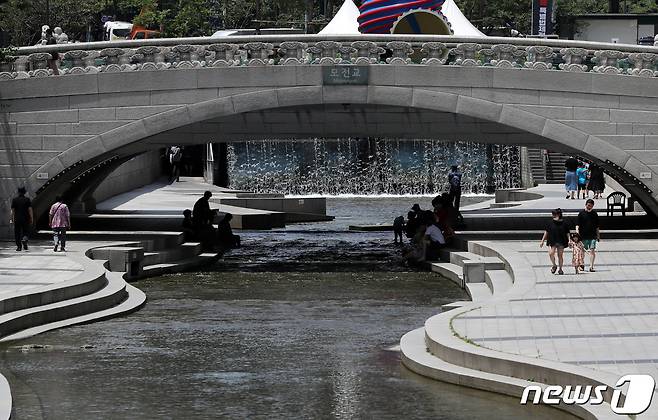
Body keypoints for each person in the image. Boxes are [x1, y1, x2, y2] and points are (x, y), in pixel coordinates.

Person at [540, 208, 570, 275]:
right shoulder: (550, 222)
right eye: (552, 214)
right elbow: (546, 232)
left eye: (554, 214)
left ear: (559, 214)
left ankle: (560, 269)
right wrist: (542, 241)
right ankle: (554, 265)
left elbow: (567, 233)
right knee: (551, 253)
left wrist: (569, 240)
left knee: (560, 255)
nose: (553, 215)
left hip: (561, 240)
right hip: (552, 240)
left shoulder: (564, 223)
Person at [576, 199, 600, 272]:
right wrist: (577, 235)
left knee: (592, 251)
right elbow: (577, 225)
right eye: (588, 205)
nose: (589, 207)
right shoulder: (581, 214)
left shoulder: (594, 214)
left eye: (591, 206)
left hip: (592, 236)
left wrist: (598, 235)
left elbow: (597, 226)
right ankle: (582, 264)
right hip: (583, 236)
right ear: (586, 204)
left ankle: (591, 266)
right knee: (582, 251)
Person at [10, 187, 33, 251]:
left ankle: (19, 247)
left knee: (17, 232)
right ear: (24, 192)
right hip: (26, 218)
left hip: (17, 219)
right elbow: (30, 210)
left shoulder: (14, 200)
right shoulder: (27, 200)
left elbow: (12, 210)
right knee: (26, 231)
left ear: (18, 192)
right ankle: (24, 240)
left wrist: (11, 218)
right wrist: (32, 218)